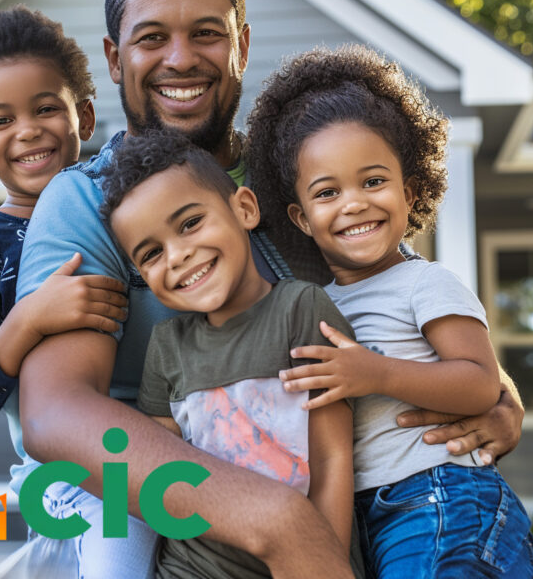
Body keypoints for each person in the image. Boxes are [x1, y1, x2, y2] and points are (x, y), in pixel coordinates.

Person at [14, 0, 533, 577]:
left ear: (240, 44)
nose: (180, 59)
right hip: (175, 524)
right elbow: (55, 414)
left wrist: (498, 396)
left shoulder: (304, 183)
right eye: (152, 38)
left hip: (361, 499)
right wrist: (272, 519)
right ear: (113, 57)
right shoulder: (87, 199)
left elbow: (403, 298)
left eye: (206, 33)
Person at [245, 44, 533, 577]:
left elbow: (479, 385)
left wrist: (375, 372)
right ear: (302, 218)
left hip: (440, 498)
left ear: (409, 191)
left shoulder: (425, 283)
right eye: (328, 192)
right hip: (362, 514)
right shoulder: (314, 304)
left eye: (374, 181)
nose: (354, 202)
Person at [100, 130, 357, 578]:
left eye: (190, 223)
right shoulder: (167, 346)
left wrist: (322, 558)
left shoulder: (301, 309)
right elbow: (159, 471)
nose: (177, 255)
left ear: (244, 208)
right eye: (152, 253)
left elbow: (333, 459)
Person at [0, 6, 131, 571]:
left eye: (47, 108)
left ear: (86, 116)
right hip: (64, 475)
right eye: (1, 121)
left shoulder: (124, 209)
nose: (27, 130)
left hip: (151, 438)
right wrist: (29, 318)